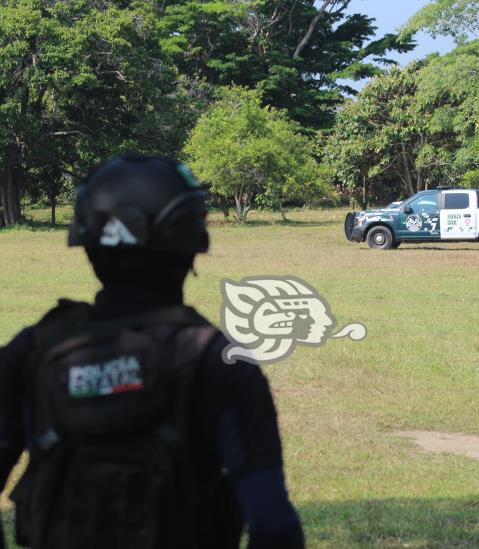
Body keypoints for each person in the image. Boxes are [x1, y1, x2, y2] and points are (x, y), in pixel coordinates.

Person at [0, 156, 304, 549]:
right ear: (192, 247)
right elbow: (273, 525)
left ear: (88, 246)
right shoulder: (222, 363)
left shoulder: (33, 350)